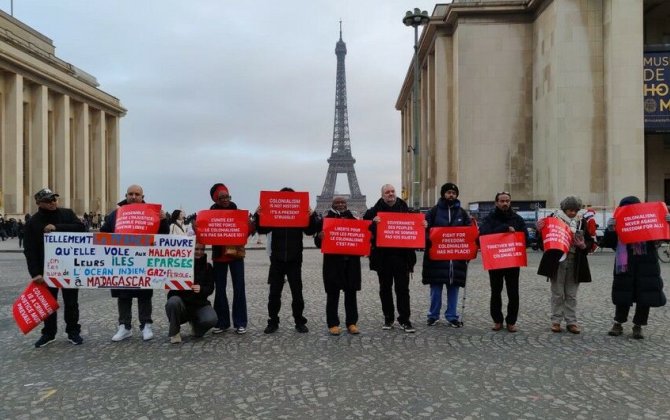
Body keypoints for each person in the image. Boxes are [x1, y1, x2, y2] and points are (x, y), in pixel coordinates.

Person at [101, 184, 169, 342]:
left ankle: (146, 324)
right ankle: (124, 326)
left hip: (144, 260)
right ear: (126, 195)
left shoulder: (153, 213)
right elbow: (103, 233)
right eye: (130, 194)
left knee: (144, 294)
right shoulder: (116, 214)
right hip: (122, 261)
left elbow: (164, 236)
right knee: (123, 294)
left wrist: (164, 220)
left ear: (142, 197)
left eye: (136, 194)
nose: (133, 196)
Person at [23, 188, 86, 347]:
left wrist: (57, 228)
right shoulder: (33, 222)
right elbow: (29, 250)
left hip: (69, 268)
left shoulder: (67, 213)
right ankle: (49, 333)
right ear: (38, 203)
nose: (53, 203)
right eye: (48, 200)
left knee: (71, 302)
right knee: (48, 303)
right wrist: (35, 273)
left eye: (54, 199)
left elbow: (80, 229)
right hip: (46, 271)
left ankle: (73, 331)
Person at [255, 187, 320, 334]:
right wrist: (259, 215)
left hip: (294, 258)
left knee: (297, 293)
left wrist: (311, 216)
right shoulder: (273, 216)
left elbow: (310, 231)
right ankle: (273, 321)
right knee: (274, 293)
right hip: (277, 259)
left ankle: (299, 320)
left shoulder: (299, 215)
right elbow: (261, 229)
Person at [602, 196, 666, 339]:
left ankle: (639, 325)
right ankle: (618, 323)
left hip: (646, 263)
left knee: (646, 295)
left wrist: (667, 222)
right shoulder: (617, 222)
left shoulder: (647, 220)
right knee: (622, 293)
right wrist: (611, 229)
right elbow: (606, 243)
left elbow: (664, 235)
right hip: (624, 262)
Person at [363, 184, 418, 333]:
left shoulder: (407, 210)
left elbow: (417, 228)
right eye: (387, 192)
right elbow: (364, 227)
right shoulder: (373, 212)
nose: (390, 194)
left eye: (392, 191)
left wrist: (423, 225)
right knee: (385, 289)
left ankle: (405, 319)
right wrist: (373, 224)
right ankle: (388, 318)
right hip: (383, 258)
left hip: (402, 257)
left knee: (403, 290)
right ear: (382, 195)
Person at [536, 196, 593, 334]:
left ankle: (571, 322)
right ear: (564, 209)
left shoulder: (581, 222)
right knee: (557, 293)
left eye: (575, 210)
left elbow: (589, 242)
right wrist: (539, 231)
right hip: (557, 261)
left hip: (575, 261)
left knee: (571, 294)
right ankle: (556, 321)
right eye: (570, 210)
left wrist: (583, 245)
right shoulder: (553, 219)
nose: (572, 213)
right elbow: (542, 242)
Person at [422, 182, 472, 328]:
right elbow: (424, 232)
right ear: (443, 194)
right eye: (448, 192)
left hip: (455, 260)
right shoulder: (433, 212)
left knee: (454, 289)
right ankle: (433, 315)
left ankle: (452, 316)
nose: (451, 195)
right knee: (436, 290)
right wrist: (431, 242)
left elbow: (469, 234)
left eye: (453, 193)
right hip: (436, 259)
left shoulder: (462, 213)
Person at [478, 191, 528, 332]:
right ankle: (497, 320)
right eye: (502, 201)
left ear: (510, 202)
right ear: (496, 202)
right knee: (496, 292)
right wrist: (504, 229)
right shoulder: (490, 218)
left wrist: (517, 235)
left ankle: (511, 321)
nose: (505, 203)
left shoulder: (517, 219)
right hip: (495, 262)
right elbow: (482, 235)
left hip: (512, 261)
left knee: (513, 292)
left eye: (507, 201)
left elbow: (526, 239)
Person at [209, 183, 251, 335]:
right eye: (222, 197)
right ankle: (222, 322)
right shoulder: (210, 214)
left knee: (239, 288)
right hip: (219, 255)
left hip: (236, 255)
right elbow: (205, 233)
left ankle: (240, 322)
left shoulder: (238, 213)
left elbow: (247, 232)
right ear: (216, 199)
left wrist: (250, 224)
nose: (225, 199)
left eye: (227, 196)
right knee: (220, 290)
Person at [316, 196, 362, 335]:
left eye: (343, 202)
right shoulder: (325, 220)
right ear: (332, 204)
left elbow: (361, 236)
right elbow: (318, 243)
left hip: (351, 263)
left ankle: (352, 323)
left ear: (347, 204)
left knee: (351, 293)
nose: (341, 204)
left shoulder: (354, 220)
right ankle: (333, 323)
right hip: (333, 263)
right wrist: (320, 237)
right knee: (333, 293)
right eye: (338, 203)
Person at [165, 243, 217, 343]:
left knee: (212, 319)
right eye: (196, 249)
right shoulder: (179, 264)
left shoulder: (208, 267)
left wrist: (201, 289)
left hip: (199, 304)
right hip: (182, 304)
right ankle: (175, 332)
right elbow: (171, 291)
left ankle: (196, 327)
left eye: (202, 249)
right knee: (172, 302)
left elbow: (210, 288)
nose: (199, 252)